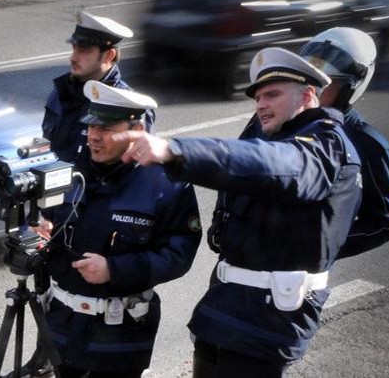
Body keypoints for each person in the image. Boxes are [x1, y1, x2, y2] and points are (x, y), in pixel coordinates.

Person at [111, 47, 363, 377]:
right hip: (227, 305)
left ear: (308, 95)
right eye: (257, 97)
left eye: (272, 95)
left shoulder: (324, 145)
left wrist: (176, 150)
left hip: (267, 320)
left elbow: (276, 165)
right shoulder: (281, 139)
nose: (261, 105)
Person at [34, 81, 201, 377]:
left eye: (107, 130)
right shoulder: (69, 173)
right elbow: (47, 222)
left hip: (120, 338)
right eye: (91, 128)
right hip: (63, 327)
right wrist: (43, 231)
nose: (94, 137)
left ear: (136, 131)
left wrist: (115, 269)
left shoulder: (167, 183)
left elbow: (179, 254)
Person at [239, 27, 389, 259]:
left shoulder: (366, 143)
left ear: (350, 87)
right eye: (308, 80)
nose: (313, 89)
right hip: (239, 259)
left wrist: (317, 246)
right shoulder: (271, 117)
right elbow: (239, 167)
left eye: (325, 83)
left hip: (294, 278)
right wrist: (222, 220)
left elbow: (385, 221)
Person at [42, 12, 155, 163]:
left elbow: (138, 165)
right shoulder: (61, 92)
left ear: (109, 55)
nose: (73, 57)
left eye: (83, 50)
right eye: (74, 48)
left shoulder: (130, 106)